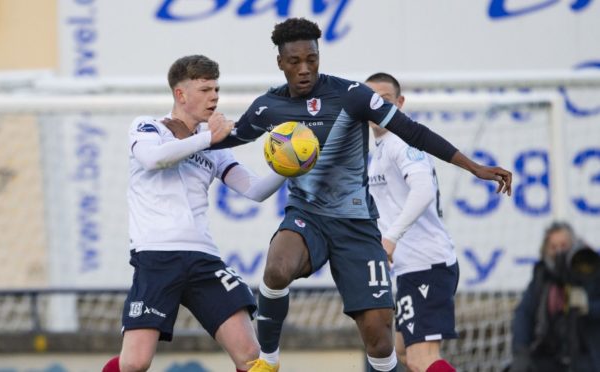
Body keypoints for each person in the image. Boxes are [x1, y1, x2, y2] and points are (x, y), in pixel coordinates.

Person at [212, 18, 512, 372]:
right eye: (295, 62)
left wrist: (474, 167)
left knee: (381, 339)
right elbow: (226, 140)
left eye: (312, 59)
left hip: (357, 227)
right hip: (307, 216)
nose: (305, 69)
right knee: (277, 268)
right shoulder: (269, 107)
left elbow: (412, 131)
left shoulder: (352, 95)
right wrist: (197, 131)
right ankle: (269, 361)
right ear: (281, 63)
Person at [102, 55, 287, 372]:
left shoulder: (214, 147)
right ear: (180, 94)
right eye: (204, 89)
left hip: (203, 258)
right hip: (158, 256)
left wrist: (289, 167)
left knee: (254, 359)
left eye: (216, 88)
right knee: (135, 363)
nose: (214, 96)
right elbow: (152, 159)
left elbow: (254, 190)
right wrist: (208, 138)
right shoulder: (150, 127)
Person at [366, 72, 457, 372]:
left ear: (400, 104)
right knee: (404, 352)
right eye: (372, 101)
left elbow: (423, 191)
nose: (378, 107)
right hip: (410, 268)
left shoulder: (401, 143)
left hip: (428, 265)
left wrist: (390, 238)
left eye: (386, 101)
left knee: (422, 358)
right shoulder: (377, 151)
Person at [510, 221, 600, 372]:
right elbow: (524, 313)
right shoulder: (542, 276)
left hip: (588, 354)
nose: (559, 251)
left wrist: (588, 307)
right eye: (553, 247)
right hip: (550, 354)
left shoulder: (592, 270)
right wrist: (521, 351)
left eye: (563, 245)